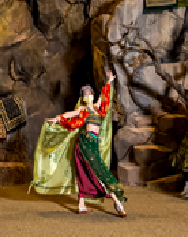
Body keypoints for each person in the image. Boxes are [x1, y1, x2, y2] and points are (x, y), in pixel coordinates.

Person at [33, 71, 127, 217]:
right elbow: (69, 114)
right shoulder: (82, 110)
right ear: (83, 98)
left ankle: (81, 205)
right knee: (97, 172)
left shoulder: (98, 108)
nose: (87, 95)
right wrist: (57, 119)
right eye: (85, 94)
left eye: (89, 93)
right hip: (84, 143)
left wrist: (109, 80)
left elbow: (105, 95)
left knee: (89, 172)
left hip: (93, 143)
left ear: (93, 95)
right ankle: (116, 201)